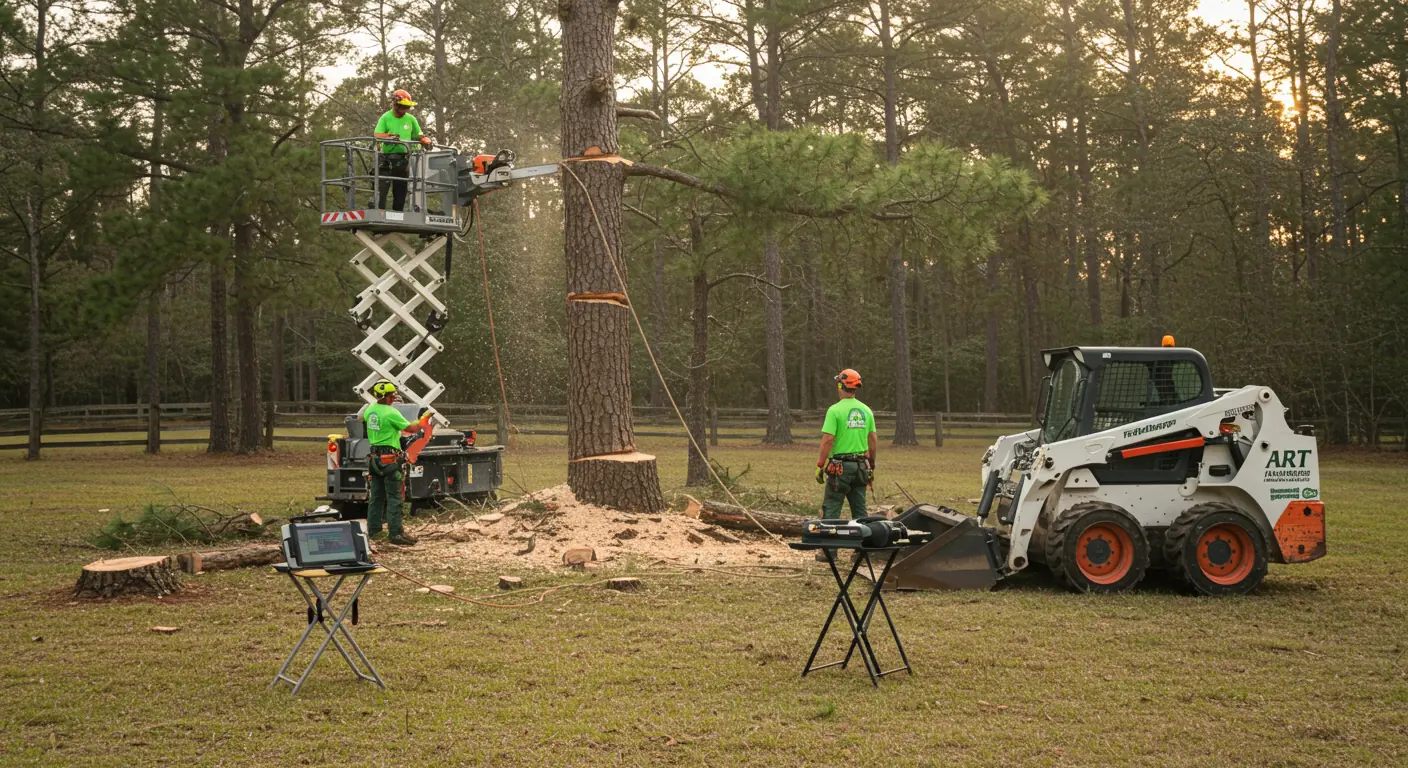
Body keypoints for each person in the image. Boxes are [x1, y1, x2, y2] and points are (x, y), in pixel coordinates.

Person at [361, 379, 432, 545]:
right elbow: (411, 429)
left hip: (375, 459)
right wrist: (423, 420)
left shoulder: (370, 410)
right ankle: (396, 533)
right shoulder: (390, 413)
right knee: (394, 497)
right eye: (392, 395)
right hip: (390, 459)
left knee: (376, 497)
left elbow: (363, 419)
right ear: (386, 397)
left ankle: (374, 530)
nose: (394, 398)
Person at [815, 368, 877, 520]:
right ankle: (863, 541)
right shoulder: (866, 410)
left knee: (832, 508)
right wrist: (871, 464)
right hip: (861, 467)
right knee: (860, 510)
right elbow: (873, 439)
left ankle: (830, 544)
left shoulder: (834, 410)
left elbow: (828, 439)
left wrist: (820, 464)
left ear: (840, 386)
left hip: (840, 469)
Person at [373, 89, 433, 212]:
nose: (405, 110)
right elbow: (377, 134)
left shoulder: (411, 119)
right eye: (403, 107)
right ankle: (379, 212)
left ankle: (397, 213)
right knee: (382, 187)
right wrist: (390, 137)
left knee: (401, 189)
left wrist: (425, 139)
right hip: (386, 159)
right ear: (396, 104)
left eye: (407, 108)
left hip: (403, 160)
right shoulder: (386, 117)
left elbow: (419, 135)